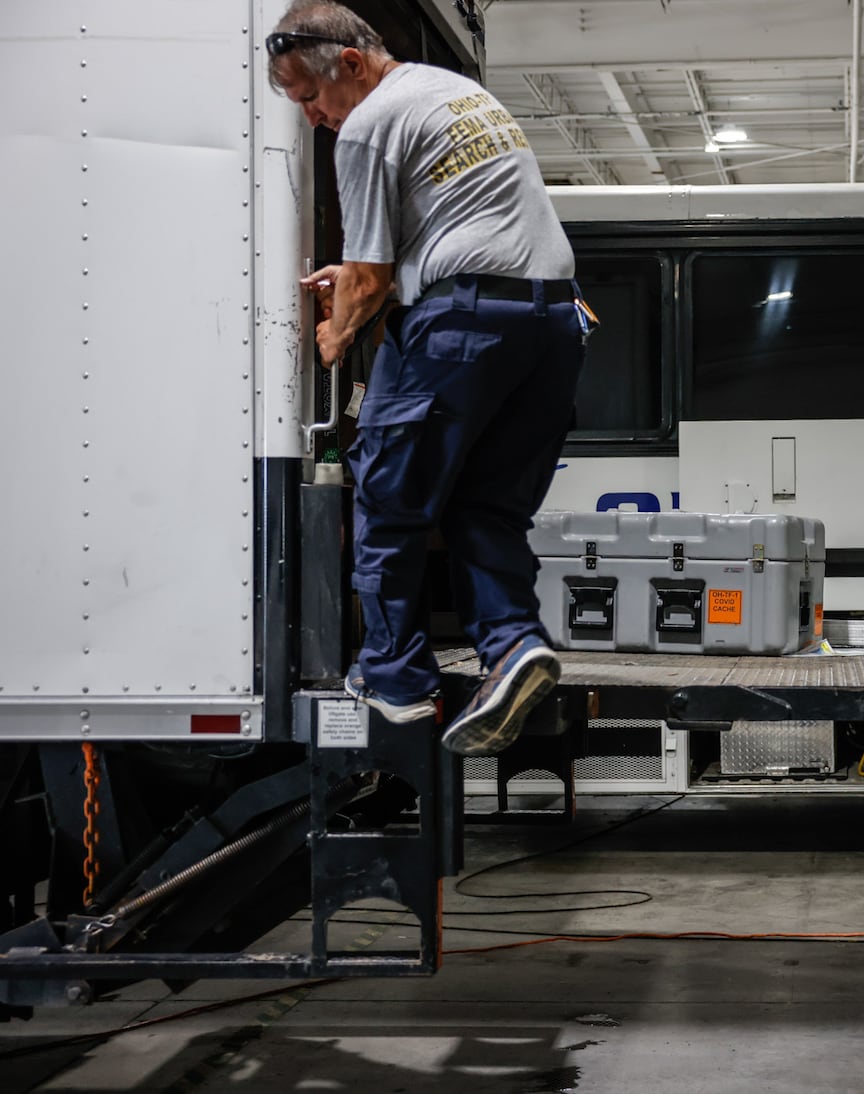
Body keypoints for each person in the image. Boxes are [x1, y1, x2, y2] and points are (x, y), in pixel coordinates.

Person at [267, 1, 587, 755]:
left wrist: (334, 331)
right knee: (486, 507)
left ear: (349, 64)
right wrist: (364, 281)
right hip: (554, 324)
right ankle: (512, 648)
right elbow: (457, 223)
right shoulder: (456, 94)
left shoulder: (369, 124)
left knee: (389, 503)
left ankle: (394, 681)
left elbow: (372, 279)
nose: (313, 117)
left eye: (311, 98)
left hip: (463, 326)